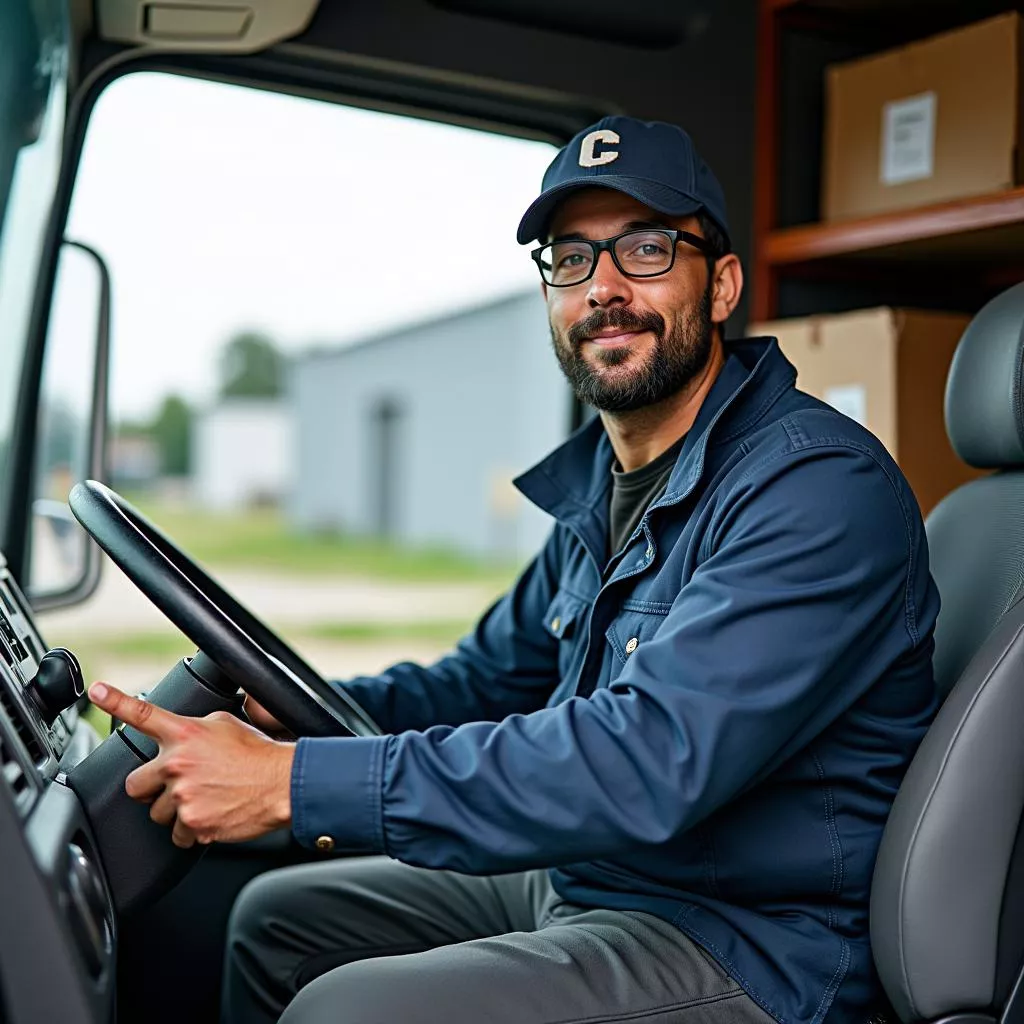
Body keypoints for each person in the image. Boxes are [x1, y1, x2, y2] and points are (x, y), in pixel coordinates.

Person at [89, 116, 940, 1024]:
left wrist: (294, 783)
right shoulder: (606, 485)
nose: (603, 288)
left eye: (645, 249)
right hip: (597, 877)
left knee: (350, 1012)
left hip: (752, 940)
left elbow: (647, 758)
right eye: (570, 260)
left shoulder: (815, 489)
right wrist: (283, 718)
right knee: (277, 923)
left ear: (722, 284)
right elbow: (487, 681)